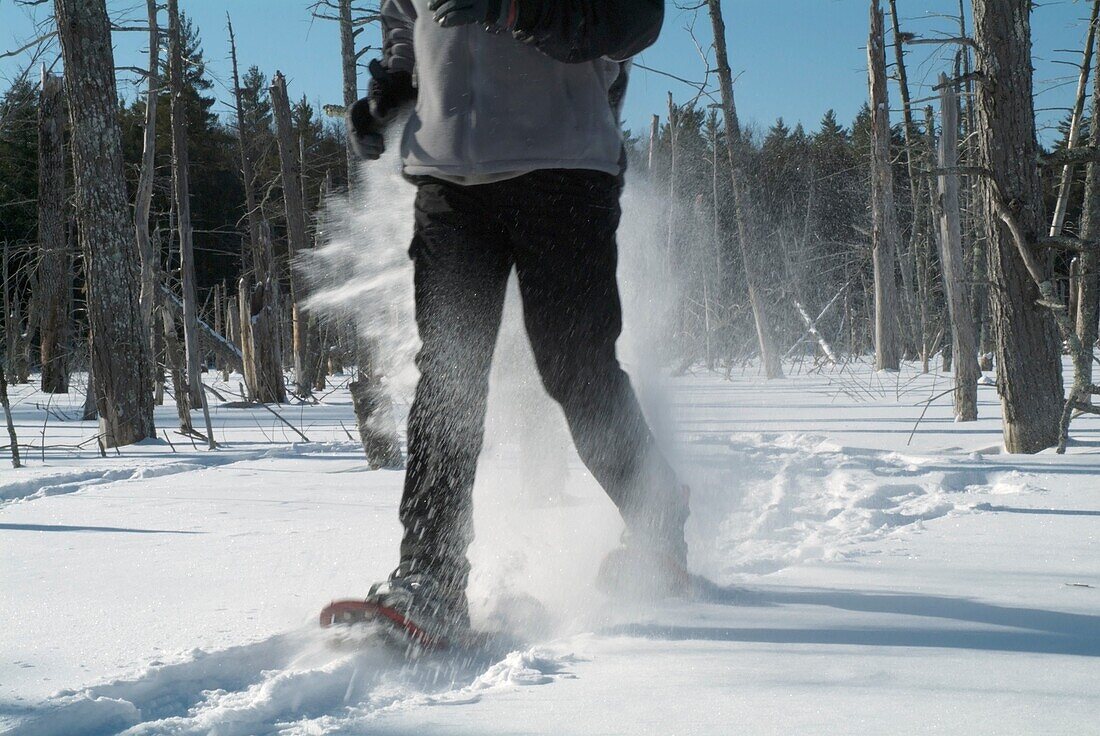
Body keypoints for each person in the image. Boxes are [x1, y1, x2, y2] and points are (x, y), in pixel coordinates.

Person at [347, 0, 689, 644]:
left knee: (575, 368)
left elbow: (634, 20)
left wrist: (513, 9)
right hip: (449, 178)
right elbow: (403, 20)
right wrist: (391, 91)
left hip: (565, 170)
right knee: (450, 373)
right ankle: (430, 580)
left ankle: (657, 519)